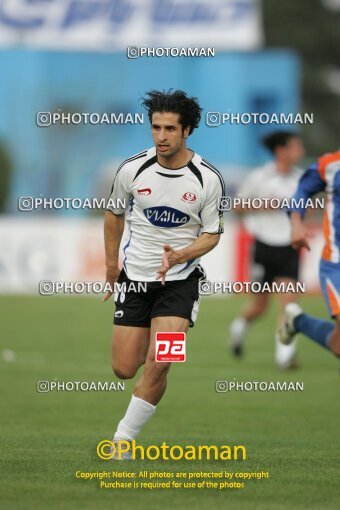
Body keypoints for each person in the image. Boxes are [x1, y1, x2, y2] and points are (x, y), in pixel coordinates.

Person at [103, 89, 225, 458]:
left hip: (180, 284)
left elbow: (213, 234)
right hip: (135, 281)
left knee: (161, 362)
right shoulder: (131, 169)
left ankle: (122, 441)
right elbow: (113, 215)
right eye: (156, 127)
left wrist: (182, 255)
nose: (161, 136)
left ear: (187, 130)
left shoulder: (207, 179)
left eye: (170, 128)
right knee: (124, 368)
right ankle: (148, 360)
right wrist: (111, 266)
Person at [229, 131, 305, 369]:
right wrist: (264, 205)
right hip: (263, 246)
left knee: (289, 304)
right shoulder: (259, 176)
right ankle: (238, 327)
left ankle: (284, 356)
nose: (300, 151)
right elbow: (237, 206)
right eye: (295, 147)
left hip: (289, 247)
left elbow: (309, 208)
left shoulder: (302, 178)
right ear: (281, 151)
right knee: (260, 307)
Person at [279, 150, 340, 359]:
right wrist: (296, 223)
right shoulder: (331, 165)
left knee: (338, 346)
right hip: (336, 262)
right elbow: (302, 191)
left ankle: (297, 321)